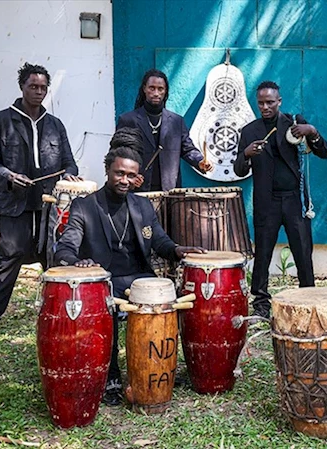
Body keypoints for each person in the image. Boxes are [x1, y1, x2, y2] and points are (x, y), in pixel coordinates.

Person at [54, 127, 205, 405]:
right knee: (106, 312)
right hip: (105, 284)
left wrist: (178, 250)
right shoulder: (84, 207)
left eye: (131, 175)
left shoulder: (143, 206)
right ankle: (111, 375)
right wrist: (78, 263)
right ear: (108, 171)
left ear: (138, 177)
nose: (125, 180)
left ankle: (158, 366)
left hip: (139, 280)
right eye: (119, 173)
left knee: (170, 302)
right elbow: (64, 249)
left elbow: (159, 241)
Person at [0, 62, 81, 359]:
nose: (39, 92)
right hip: (14, 205)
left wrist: (69, 175)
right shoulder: (2, 120)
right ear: (22, 87)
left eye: (43, 87)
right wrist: (9, 176)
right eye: (33, 86)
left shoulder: (55, 124)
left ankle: (62, 327)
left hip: (47, 208)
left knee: (55, 262)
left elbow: (70, 163)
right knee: (8, 264)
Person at [233, 81, 327, 319]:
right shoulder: (249, 131)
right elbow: (237, 169)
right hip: (267, 201)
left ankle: (308, 297)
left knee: (302, 249)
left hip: (294, 201)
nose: (265, 107)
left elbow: (324, 152)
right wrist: (246, 154)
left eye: (270, 102)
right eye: (261, 103)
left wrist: (312, 132)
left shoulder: (295, 123)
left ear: (279, 101)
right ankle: (261, 302)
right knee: (263, 252)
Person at [116, 69, 213, 192]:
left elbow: (188, 149)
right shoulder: (128, 120)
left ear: (165, 91)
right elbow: (118, 155)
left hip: (170, 192)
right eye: (152, 88)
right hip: (137, 190)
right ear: (144, 89)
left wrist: (200, 161)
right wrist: (130, 177)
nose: (156, 93)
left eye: (160, 89)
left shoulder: (177, 121)